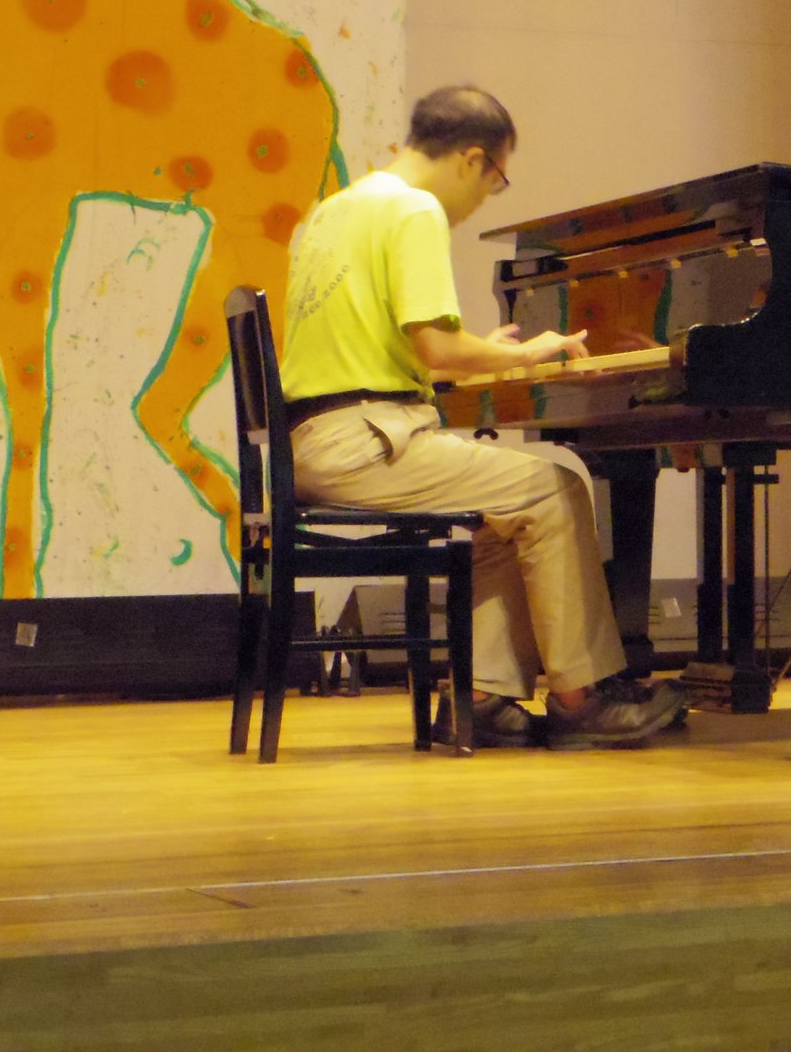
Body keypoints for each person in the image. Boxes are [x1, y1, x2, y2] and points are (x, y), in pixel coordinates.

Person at [277, 84, 686, 749]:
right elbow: (438, 349)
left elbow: (389, 354)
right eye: (496, 180)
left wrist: (482, 353)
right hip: (359, 441)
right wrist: (526, 354)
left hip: (313, 440)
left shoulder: (335, 211)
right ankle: (583, 700)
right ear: (473, 159)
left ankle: (483, 697)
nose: (483, 198)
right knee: (554, 489)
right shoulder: (413, 210)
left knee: (499, 525)